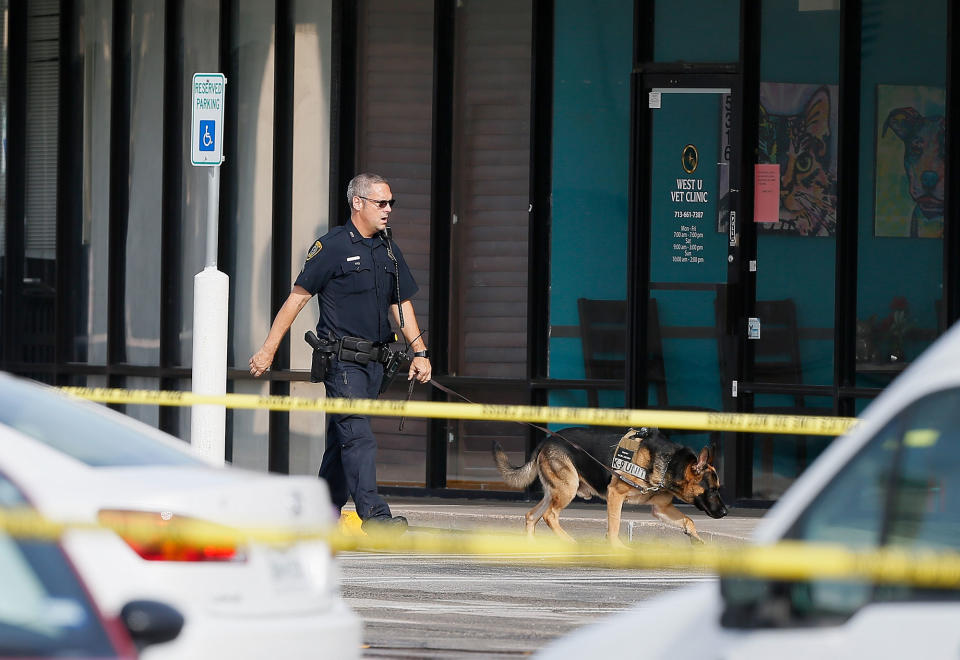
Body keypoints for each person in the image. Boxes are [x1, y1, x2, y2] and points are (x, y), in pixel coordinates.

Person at [249, 173, 431, 534]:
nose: (388, 210)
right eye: (381, 203)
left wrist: (420, 352)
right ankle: (375, 517)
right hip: (343, 362)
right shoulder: (331, 246)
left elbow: (400, 304)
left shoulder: (388, 248)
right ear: (358, 203)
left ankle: (321, 511)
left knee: (342, 438)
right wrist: (268, 349)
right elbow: (297, 299)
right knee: (358, 436)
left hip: (376, 363)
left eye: (391, 202)